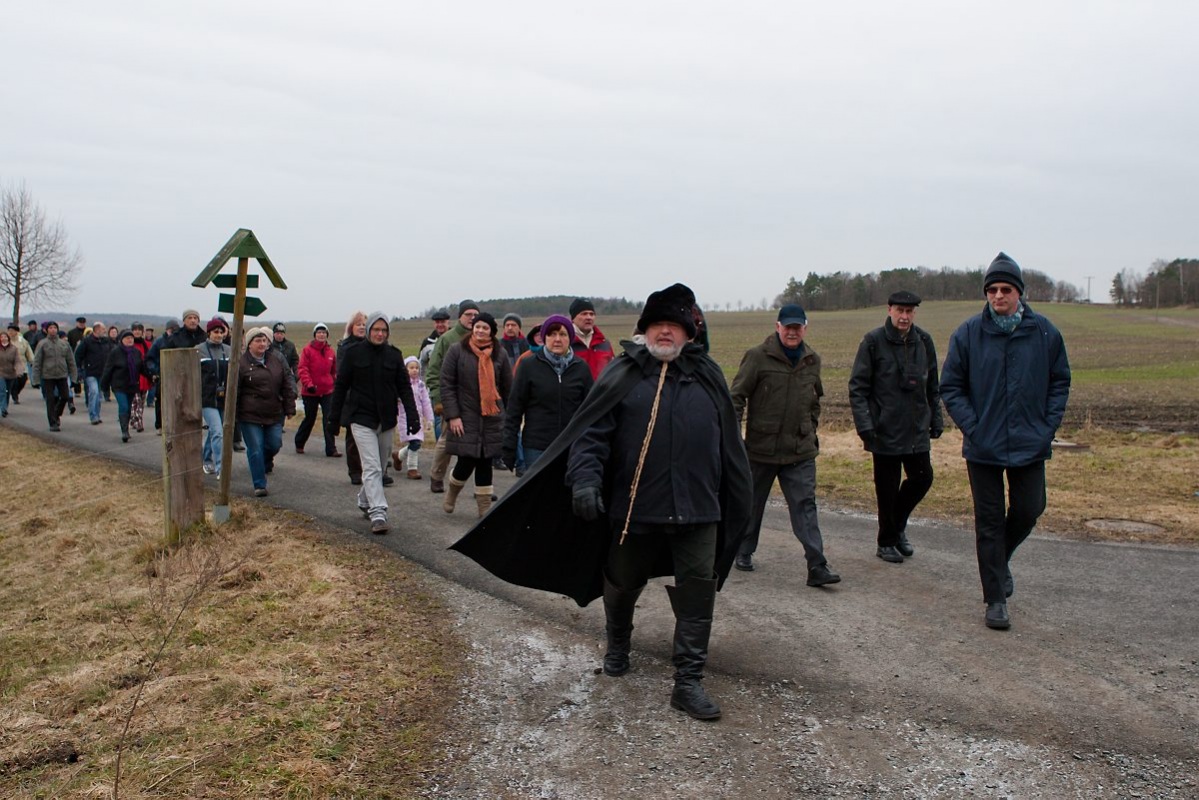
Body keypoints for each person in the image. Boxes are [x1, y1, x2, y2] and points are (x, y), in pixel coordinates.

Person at [454, 284, 753, 720]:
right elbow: (590, 435)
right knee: (622, 579)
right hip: (635, 508)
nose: (666, 333)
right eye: (658, 326)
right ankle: (618, 641)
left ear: (689, 333)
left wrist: (735, 498)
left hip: (699, 507)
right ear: (645, 330)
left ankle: (688, 681)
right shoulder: (623, 374)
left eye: (674, 326)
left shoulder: (708, 377)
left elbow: (729, 445)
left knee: (698, 591)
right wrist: (584, 483)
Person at [941, 253, 1071, 631]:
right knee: (989, 521)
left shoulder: (1045, 333)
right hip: (984, 445)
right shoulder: (968, 334)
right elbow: (951, 386)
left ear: (1019, 293)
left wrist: (1047, 426)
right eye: (993, 290)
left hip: (1031, 442)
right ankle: (995, 598)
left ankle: (1001, 559)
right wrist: (973, 427)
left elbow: (1060, 380)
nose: (999, 295)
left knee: (1030, 509)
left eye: (1006, 289)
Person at [729, 304, 841, 586]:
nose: (792, 332)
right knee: (751, 504)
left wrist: (810, 431)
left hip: (799, 451)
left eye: (797, 327)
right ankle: (743, 550)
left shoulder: (812, 359)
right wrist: (735, 440)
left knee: (805, 506)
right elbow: (736, 398)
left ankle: (817, 565)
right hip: (759, 449)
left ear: (805, 328)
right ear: (777, 327)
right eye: (787, 327)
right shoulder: (758, 357)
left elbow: (815, 401)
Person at [848, 290, 944, 563]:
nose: (904, 316)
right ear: (889, 310)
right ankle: (886, 541)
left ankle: (897, 525)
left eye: (909, 311)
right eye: (900, 310)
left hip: (916, 428)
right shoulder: (873, 342)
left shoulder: (924, 341)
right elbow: (858, 387)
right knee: (887, 489)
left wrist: (936, 419)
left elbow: (933, 386)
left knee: (922, 478)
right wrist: (865, 425)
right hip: (884, 429)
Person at [329, 312, 420, 534]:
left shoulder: (394, 356)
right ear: (368, 330)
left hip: (386, 419)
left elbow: (404, 388)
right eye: (376, 330)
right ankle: (378, 512)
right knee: (371, 466)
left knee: (379, 466)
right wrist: (333, 419)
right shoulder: (353, 354)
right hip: (361, 419)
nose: (380, 334)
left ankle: (364, 499)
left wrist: (413, 416)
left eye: (384, 330)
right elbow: (340, 387)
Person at [439, 312, 512, 516]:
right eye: (477, 326)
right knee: (466, 461)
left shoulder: (500, 354)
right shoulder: (457, 351)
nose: (480, 331)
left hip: (491, 418)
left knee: (485, 461)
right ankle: (453, 492)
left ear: (492, 332)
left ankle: (484, 511)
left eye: (485, 328)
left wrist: (510, 418)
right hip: (464, 417)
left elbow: (508, 388)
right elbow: (447, 384)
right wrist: (453, 415)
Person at [502, 314, 593, 472]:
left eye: (563, 334)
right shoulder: (528, 366)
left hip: (571, 446)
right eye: (552, 334)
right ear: (544, 338)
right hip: (536, 446)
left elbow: (590, 410)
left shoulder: (581, 368)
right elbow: (515, 409)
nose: (557, 339)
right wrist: (509, 445)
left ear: (570, 338)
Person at [426, 300, 479, 493]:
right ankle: (436, 476)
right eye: (468, 314)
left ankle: (479, 486)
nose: (472, 318)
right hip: (453, 399)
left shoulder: (482, 338)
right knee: (448, 440)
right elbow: (433, 371)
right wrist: (440, 399)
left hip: (476, 402)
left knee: (478, 444)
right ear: (460, 317)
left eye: (475, 314)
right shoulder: (447, 339)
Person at [236, 327, 296, 497]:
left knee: (274, 444)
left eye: (264, 341)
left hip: (274, 412)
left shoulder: (276, 360)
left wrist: (290, 407)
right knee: (255, 448)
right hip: (249, 415)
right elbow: (235, 390)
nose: (262, 344)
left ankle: (265, 461)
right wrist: (233, 414)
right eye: (258, 341)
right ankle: (259, 484)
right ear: (249, 344)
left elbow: (286, 384)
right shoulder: (241, 364)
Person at [295, 323, 341, 457]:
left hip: (327, 391)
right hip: (310, 391)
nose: (321, 335)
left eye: (324, 333)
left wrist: (335, 383)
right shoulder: (307, 350)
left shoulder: (330, 352)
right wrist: (308, 384)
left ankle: (331, 449)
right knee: (310, 418)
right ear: (315, 335)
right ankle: (299, 442)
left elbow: (334, 371)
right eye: (319, 332)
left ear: (327, 335)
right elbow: (302, 368)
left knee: (329, 419)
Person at [197, 317, 231, 474]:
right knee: (217, 431)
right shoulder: (199, 350)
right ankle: (220, 469)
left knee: (215, 431)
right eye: (215, 332)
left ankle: (206, 458)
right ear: (209, 333)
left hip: (224, 398)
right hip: (207, 398)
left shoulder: (228, 350)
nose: (218, 335)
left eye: (221, 332)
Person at [338, 311, 369, 484]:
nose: (362, 327)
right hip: (352, 398)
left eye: (364, 324)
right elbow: (343, 376)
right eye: (358, 324)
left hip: (370, 398)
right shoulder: (345, 347)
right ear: (351, 327)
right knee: (353, 437)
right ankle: (355, 470)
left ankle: (376, 471)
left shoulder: (372, 345)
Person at [100, 329, 147, 442]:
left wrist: (152, 376)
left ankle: (126, 428)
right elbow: (108, 369)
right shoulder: (115, 353)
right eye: (127, 338)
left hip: (132, 385)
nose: (130, 340)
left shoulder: (136, 352)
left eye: (131, 338)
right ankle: (124, 431)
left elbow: (142, 368)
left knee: (128, 408)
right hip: (119, 385)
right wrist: (104, 385)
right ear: (122, 340)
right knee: (124, 406)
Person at [31, 321, 78, 431]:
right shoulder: (42, 344)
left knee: (65, 396)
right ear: (47, 330)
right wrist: (36, 380)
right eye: (50, 328)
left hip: (62, 374)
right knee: (50, 399)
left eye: (55, 328)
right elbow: (37, 362)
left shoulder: (64, 344)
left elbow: (71, 362)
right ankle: (53, 423)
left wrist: (74, 378)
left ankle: (56, 414)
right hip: (48, 376)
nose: (53, 330)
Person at [393, 356, 434, 479]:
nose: (415, 370)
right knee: (415, 442)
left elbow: (426, 403)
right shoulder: (400, 384)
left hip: (418, 418)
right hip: (405, 417)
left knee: (416, 442)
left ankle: (399, 455)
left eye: (416, 368)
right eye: (411, 368)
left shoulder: (421, 385)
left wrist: (429, 419)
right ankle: (412, 468)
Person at [74, 321, 113, 424]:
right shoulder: (87, 342)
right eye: (103, 329)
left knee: (99, 396)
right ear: (97, 330)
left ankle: (97, 414)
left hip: (102, 372)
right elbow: (78, 355)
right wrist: (79, 369)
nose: (105, 331)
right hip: (90, 371)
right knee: (94, 392)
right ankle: (93, 416)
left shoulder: (106, 342)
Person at [569, 298, 615, 380]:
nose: (589, 317)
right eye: (584, 314)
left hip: (601, 392)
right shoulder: (566, 343)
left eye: (592, 314)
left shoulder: (604, 344)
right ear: (573, 318)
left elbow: (613, 372)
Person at [129, 322, 152, 432]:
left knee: (141, 401)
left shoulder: (147, 345)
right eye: (135, 329)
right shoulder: (129, 344)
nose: (137, 332)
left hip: (145, 376)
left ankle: (134, 418)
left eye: (139, 330)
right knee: (136, 400)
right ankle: (138, 422)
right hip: (133, 376)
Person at [418, 309, 451, 378]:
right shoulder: (427, 342)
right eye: (437, 322)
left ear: (448, 322)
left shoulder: (457, 339)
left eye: (442, 322)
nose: (440, 325)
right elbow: (421, 363)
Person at [7, 323, 33, 404]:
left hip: (22, 365)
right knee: (14, 382)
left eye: (12, 330)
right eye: (9, 330)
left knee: (23, 380)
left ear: (17, 332)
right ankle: (14, 395)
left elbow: (28, 351)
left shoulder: (23, 341)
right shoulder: (5, 340)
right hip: (9, 366)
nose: (10, 332)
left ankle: (15, 392)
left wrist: (32, 360)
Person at [0, 330, 21, 417]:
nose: (3, 338)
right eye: (2, 337)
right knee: (2, 391)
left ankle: (5, 407)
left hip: (11, 373)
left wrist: (19, 370)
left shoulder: (14, 349)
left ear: (8, 338)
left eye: (5, 337)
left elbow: (17, 361)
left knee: (8, 391)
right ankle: (3, 408)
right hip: (1, 373)